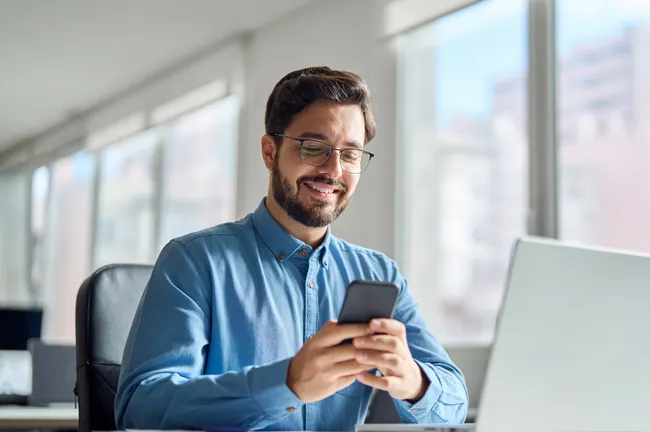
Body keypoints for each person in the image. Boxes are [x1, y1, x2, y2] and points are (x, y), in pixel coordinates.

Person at [114, 66, 469, 431]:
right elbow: (142, 406)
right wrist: (286, 384)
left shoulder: (380, 275)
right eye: (314, 148)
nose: (333, 170)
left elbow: (455, 403)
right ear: (270, 152)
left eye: (350, 154)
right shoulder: (194, 261)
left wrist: (414, 382)